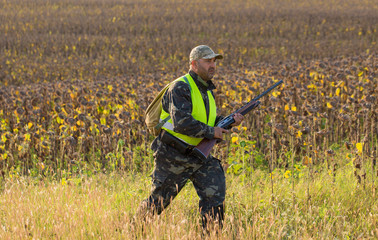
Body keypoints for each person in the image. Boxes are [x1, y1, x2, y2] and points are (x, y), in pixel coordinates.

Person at [137, 45, 244, 230]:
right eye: (208, 61)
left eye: (214, 61)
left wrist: (227, 122)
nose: (213, 65)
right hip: (173, 156)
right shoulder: (180, 87)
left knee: (215, 195)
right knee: (157, 203)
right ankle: (131, 230)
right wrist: (212, 132)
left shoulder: (206, 90)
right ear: (194, 64)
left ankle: (211, 233)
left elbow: (206, 121)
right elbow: (182, 122)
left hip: (199, 155)